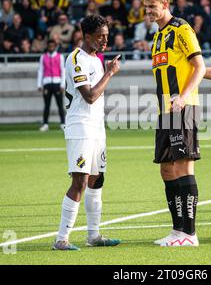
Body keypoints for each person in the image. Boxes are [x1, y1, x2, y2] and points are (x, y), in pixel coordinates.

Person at [143, 0, 206, 247]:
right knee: (167, 170)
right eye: (146, 8)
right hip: (165, 112)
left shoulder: (182, 29)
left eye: (153, 7)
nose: (148, 12)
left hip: (184, 108)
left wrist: (182, 96)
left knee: (183, 166)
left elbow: (199, 66)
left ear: (165, 4)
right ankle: (178, 230)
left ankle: (190, 234)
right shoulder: (157, 37)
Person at [52, 14, 121, 250]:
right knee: (79, 182)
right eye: (100, 37)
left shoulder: (96, 59)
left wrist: (106, 70)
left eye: (107, 36)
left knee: (96, 180)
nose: (104, 41)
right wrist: (109, 73)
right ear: (86, 35)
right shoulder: (75, 59)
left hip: (97, 128)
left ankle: (94, 236)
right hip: (80, 127)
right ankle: (61, 239)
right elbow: (90, 96)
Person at [37, 39, 66, 132]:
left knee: (60, 105)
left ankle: (63, 123)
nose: (51, 47)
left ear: (55, 46)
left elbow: (63, 70)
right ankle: (45, 124)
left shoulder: (60, 57)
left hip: (57, 83)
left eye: (53, 46)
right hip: (47, 83)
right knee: (46, 105)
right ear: (47, 46)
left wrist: (62, 84)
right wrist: (39, 84)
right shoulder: (43, 57)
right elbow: (40, 70)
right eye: (49, 46)